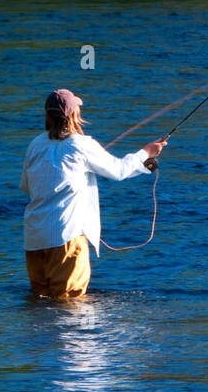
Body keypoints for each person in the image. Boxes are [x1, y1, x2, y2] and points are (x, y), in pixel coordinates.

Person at [20, 89, 164, 298]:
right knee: (70, 303)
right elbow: (119, 170)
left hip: (34, 239)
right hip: (66, 237)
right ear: (74, 115)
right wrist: (146, 153)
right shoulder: (82, 144)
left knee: (41, 303)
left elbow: (26, 187)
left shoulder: (35, 145)